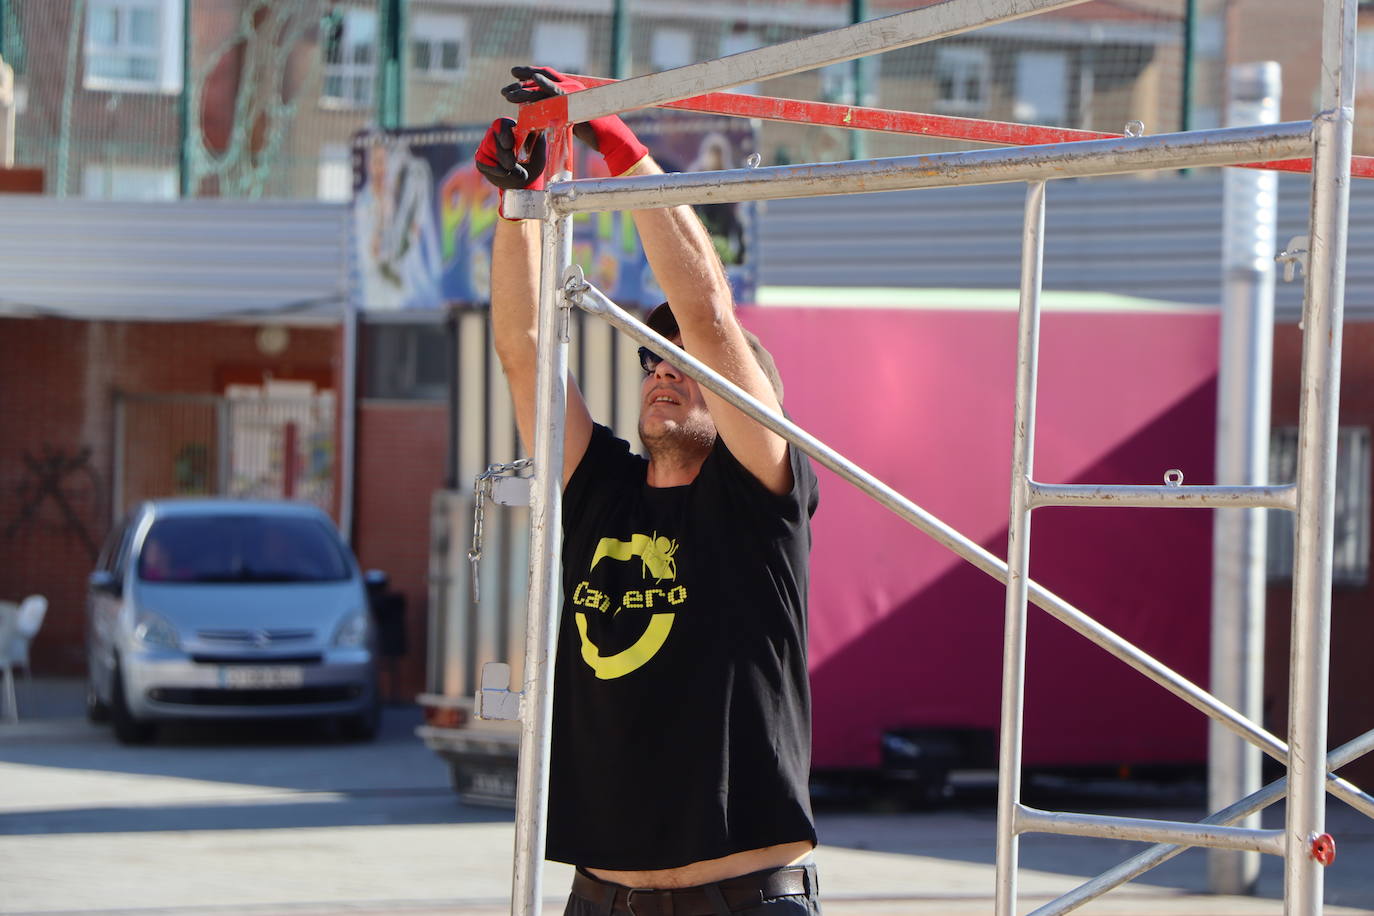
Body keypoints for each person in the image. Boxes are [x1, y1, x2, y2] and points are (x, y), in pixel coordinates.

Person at [477, 66, 822, 915]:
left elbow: (705, 311)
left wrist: (623, 152)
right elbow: (525, 350)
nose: (666, 374)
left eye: (689, 371)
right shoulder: (605, 492)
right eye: (652, 363)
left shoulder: (760, 499)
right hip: (603, 900)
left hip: (744, 900)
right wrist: (520, 204)